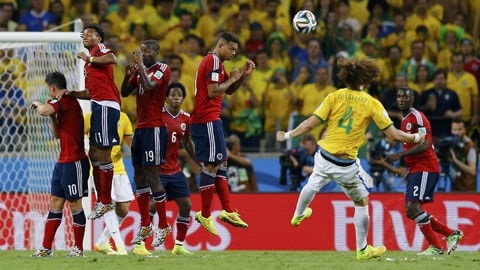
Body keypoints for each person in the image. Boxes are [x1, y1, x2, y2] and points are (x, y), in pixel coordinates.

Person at [276, 58, 426, 260]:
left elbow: (310, 125)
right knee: (362, 200)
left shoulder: (334, 96)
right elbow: (393, 135)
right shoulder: (373, 103)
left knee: (314, 182)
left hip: (323, 156)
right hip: (345, 165)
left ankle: (298, 214)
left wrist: (287, 135)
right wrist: (415, 137)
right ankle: (362, 249)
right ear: (366, 79)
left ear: (345, 77)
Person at [385, 88, 464, 255]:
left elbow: (424, 144)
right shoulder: (405, 119)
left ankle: (437, 247)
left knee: (413, 208)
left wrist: (400, 154)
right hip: (417, 168)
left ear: (412, 99)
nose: (401, 99)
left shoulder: (417, 117)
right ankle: (451, 234)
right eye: (399, 96)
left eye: (405, 96)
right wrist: (410, 169)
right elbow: (412, 143)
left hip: (426, 166)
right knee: (410, 211)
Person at [191, 32, 255, 236]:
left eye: (236, 49)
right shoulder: (212, 61)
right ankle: (206, 213)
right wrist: (234, 78)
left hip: (212, 119)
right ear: (220, 45)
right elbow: (213, 91)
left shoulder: (217, 63)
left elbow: (227, 91)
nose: (234, 53)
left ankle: (227, 211)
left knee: (222, 162)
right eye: (232, 48)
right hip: (206, 119)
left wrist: (242, 77)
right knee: (212, 164)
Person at [31, 72, 89, 258]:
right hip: (63, 162)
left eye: (49, 88)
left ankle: (78, 248)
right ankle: (46, 248)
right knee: (55, 202)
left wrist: (40, 104)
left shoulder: (66, 100)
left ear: (53, 88)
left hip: (75, 162)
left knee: (75, 204)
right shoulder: (62, 104)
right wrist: (52, 116)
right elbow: (57, 134)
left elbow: (42, 110)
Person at [120, 39, 172, 247]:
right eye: (142, 51)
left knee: (153, 177)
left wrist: (140, 65)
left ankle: (164, 225)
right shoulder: (141, 70)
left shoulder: (162, 69)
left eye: (148, 51)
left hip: (155, 129)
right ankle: (144, 224)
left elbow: (150, 87)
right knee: (139, 177)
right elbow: (124, 92)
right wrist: (127, 76)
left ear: (157, 52)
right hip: (140, 128)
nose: (144, 54)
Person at [72, 24, 120, 221]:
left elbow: (113, 58)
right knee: (93, 152)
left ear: (99, 39)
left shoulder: (99, 52)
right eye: (84, 33)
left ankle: (106, 200)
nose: (86, 35)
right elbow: (91, 93)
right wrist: (71, 93)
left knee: (103, 151)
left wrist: (89, 58)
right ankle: (103, 199)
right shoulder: (88, 65)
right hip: (98, 104)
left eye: (90, 33)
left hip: (107, 105)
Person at [153, 82, 196, 255]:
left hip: (175, 169)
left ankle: (178, 245)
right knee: (151, 206)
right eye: (173, 94)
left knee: (186, 205)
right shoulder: (157, 115)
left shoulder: (186, 118)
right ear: (166, 98)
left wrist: (196, 160)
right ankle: (140, 244)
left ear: (183, 98)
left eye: (180, 94)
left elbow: (187, 143)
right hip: (157, 170)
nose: (176, 96)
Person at [85, 111, 136, 256]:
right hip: (99, 168)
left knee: (124, 207)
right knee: (107, 204)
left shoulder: (123, 117)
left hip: (118, 167)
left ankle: (102, 242)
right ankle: (120, 246)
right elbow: (77, 133)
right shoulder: (90, 116)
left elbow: (130, 141)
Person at [449, 118, 478, 191]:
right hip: (454, 188)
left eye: (459, 129)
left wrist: (455, 160)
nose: (456, 132)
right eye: (454, 130)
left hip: (467, 190)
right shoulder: (451, 144)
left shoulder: (470, 147)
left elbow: (472, 170)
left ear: (465, 130)